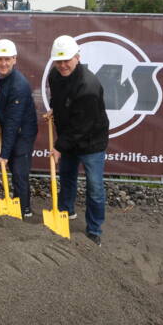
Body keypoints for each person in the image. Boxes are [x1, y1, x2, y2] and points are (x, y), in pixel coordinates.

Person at [46, 35, 109, 246]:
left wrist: (58, 147)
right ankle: (65, 211)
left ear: (77, 57)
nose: (63, 65)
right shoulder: (54, 75)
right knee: (67, 176)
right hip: (69, 136)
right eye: (58, 60)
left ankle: (94, 229)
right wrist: (54, 109)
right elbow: (58, 98)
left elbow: (81, 127)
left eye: (67, 60)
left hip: (91, 141)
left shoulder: (88, 86)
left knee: (95, 186)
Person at [0, 39, 38, 219]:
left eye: (7, 59)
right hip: (11, 123)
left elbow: (13, 124)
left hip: (23, 131)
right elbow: (0, 95)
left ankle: (25, 209)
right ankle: (17, 201)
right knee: (12, 167)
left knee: (19, 172)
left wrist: (4, 153)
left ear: (15, 59)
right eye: (0, 59)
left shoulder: (19, 85)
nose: (3, 63)